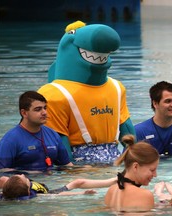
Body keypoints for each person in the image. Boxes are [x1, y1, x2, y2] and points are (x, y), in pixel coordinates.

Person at [38, 21, 135, 164]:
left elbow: (127, 129)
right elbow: (59, 143)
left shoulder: (116, 88)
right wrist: (70, 169)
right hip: (80, 163)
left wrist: (133, 160)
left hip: (114, 158)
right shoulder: (53, 94)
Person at [0, 91, 73, 171]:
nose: (44, 113)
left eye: (45, 108)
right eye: (38, 109)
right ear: (24, 113)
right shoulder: (10, 140)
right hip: (26, 182)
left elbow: (66, 166)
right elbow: (1, 172)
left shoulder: (53, 135)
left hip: (52, 181)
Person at [104, 134, 160, 212]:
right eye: (152, 170)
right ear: (135, 167)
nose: (155, 175)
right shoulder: (144, 195)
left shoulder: (112, 190)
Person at [0, 174, 117, 200]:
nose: (24, 175)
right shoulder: (36, 196)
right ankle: (113, 181)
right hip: (50, 191)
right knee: (78, 182)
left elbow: (3, 180)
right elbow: (59, 194)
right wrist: (81, 194)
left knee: (3, 178)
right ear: (29, 191)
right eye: (26, 179)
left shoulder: (7, 187)